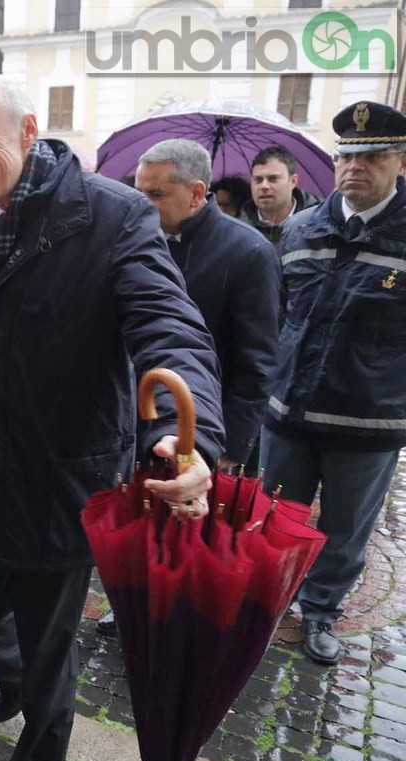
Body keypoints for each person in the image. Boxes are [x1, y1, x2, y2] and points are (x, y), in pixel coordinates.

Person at [0, 71, 225, 761]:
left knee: (48, 641)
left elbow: (171, 327)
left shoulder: (116, 215)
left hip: (63, 473)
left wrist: (190, 438)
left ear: (29, 132)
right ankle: (15, 682)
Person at [97, 140, 280, 636]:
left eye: (155, 194)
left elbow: (257, 366)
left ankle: (187, 618)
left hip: (208, 432)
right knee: (143, 520)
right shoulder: (132, 240)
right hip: (141, 420)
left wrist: (225, 451)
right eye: (139, 192)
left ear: (197, 192)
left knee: (196, 533)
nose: (142, 204)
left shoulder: (249, 253)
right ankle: (136, 601)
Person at [262, 101, 406, 666]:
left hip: (366, 421)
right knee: (277, 519)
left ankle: (320, 611)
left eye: (372, 157)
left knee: (344, 531)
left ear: (400, 162)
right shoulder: (301, 228)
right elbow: (278, 316)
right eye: (347, 155)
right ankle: (268, 603)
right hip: (289, 412)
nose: (355, 168)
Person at [239, 145, 319, 244]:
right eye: (258, 180)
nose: (264, 186)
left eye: (273, 179)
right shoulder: (238, 230)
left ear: (293, 181)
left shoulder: (320, 221)